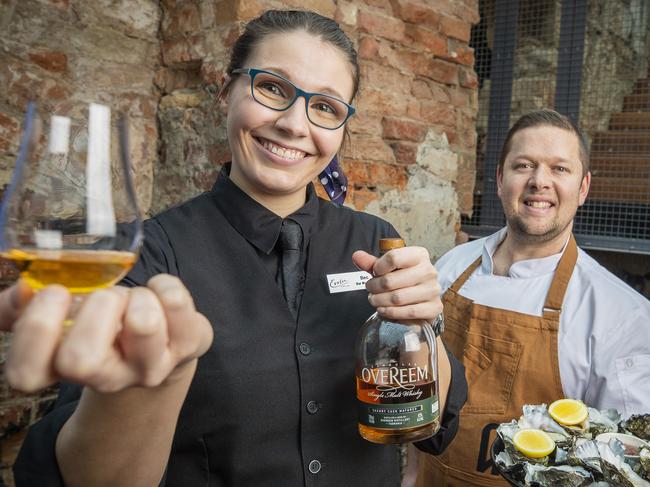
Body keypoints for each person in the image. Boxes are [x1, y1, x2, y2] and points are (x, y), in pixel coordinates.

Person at [2, 10, 467, 487]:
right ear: (226, 92)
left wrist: (422, 327)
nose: (293, 123)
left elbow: (430, 429)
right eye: (272, 88)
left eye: (326, 107)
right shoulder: (146, 256)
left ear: (343, 127)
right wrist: (144, 388)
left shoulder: (376, 240)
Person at [416, 108, 650, 487]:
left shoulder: (622, 315)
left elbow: (629, 463)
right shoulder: (451, 266)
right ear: (499, 179)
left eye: (560, 169)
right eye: (524, 165)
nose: (539, 181)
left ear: (583, 188)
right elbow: (424, 390)